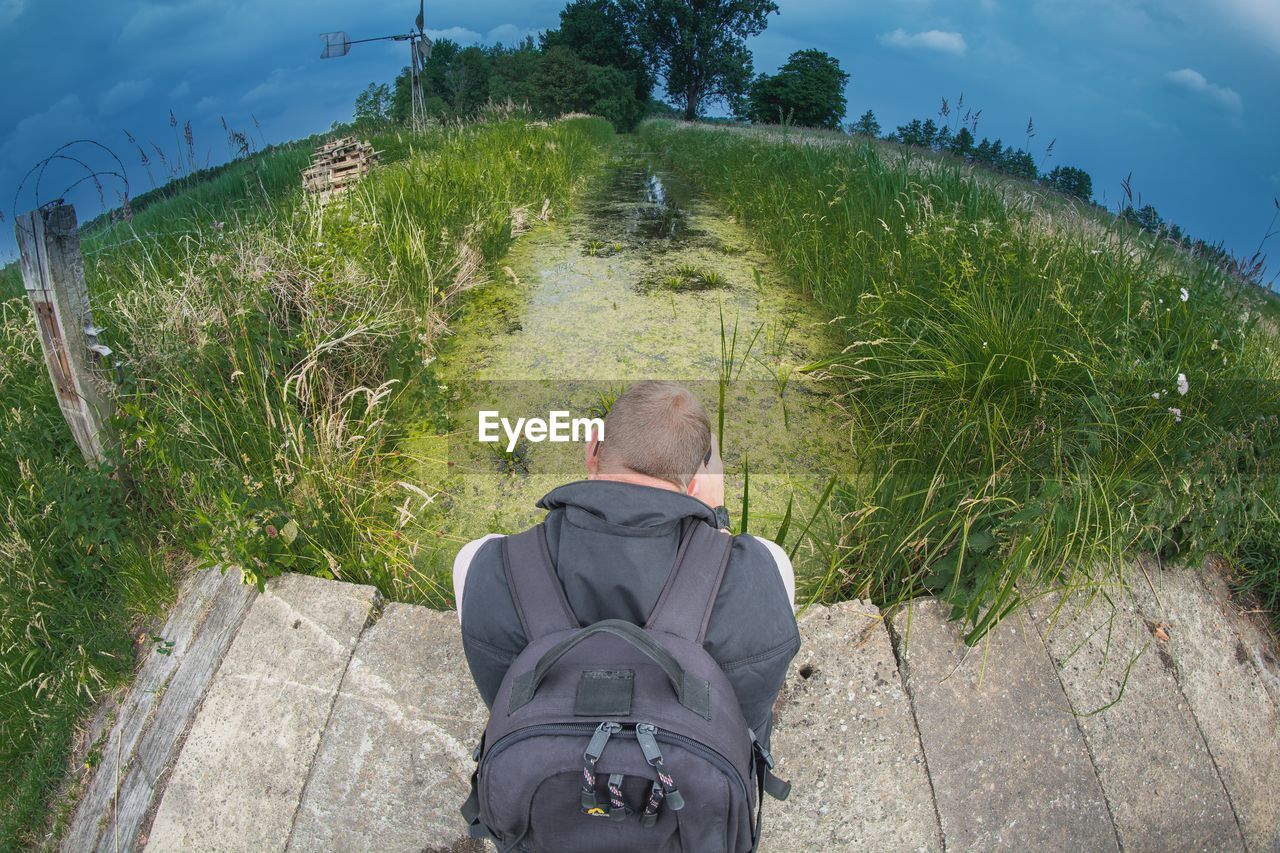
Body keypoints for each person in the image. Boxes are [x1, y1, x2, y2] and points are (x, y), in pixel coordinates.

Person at [453, 380, 799, 748]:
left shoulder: (481, 562)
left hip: (535, 786)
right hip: (692, 796)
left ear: (592, 449)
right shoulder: (769, 567)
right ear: (697, 482)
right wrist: (718, 525)